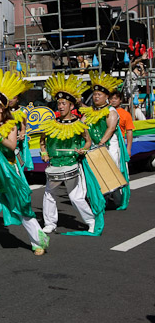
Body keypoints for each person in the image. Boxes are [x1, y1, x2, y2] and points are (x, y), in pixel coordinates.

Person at [0, 70, 50, 255]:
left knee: (20, 205)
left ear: (2, 108)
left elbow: (12, 146)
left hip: (8, 170)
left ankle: (39, 241)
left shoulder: (10, 125)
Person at [39, 74, 102, 235]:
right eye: (59, 103)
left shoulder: (79, 124)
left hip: (72, 164)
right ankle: (50, 223)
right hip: (54, 164)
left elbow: (88, 141)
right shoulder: (50, 123)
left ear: (71, 105)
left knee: (76, 197)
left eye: (64, 104)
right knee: (49, 195)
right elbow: (42, 141)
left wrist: (84, 149)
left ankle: (90, 221)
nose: (60, 106)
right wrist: (44, 152)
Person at [80, 71, 130, 210]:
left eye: (99, 95)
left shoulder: (111, 111)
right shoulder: (90, 111)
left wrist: (101, 143)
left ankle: (119, 200)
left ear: (106, 97)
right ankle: (104, 199)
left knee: (113, 170)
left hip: (109, 145)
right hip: (95, 145)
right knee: (98, 173)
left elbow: (111, 128)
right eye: (94, 94)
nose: (96, 97)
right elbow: (81, 124)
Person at [109, 91, 134, 158]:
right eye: (111, 98)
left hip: (119, 144)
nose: (113, 100)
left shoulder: (126, 114)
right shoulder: (105, 112)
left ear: (120, 100)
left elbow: (129, 132)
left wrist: (128, 149)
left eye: (115, 99)